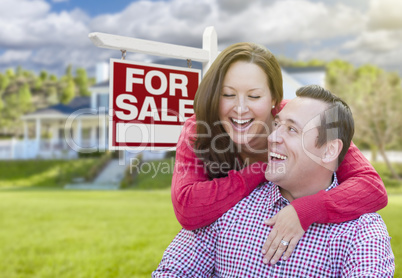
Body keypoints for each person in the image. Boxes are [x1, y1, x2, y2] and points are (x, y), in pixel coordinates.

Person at [170, 42, 388, 264]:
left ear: (274, 99)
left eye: (254, 96)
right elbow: (188, 207)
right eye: (228, 94)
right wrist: (265, 168)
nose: (240, 108)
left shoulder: (299, 120)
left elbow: (371, 187)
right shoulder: (199, 130)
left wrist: (306, 210)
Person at [153, 85, 395, 277]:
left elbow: (372, 185)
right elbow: (172, 271)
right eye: (277, 125)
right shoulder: (231, 204)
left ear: (330, 150)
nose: (272, 137)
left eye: (291, 130)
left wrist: (306, 210)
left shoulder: (362, 233)